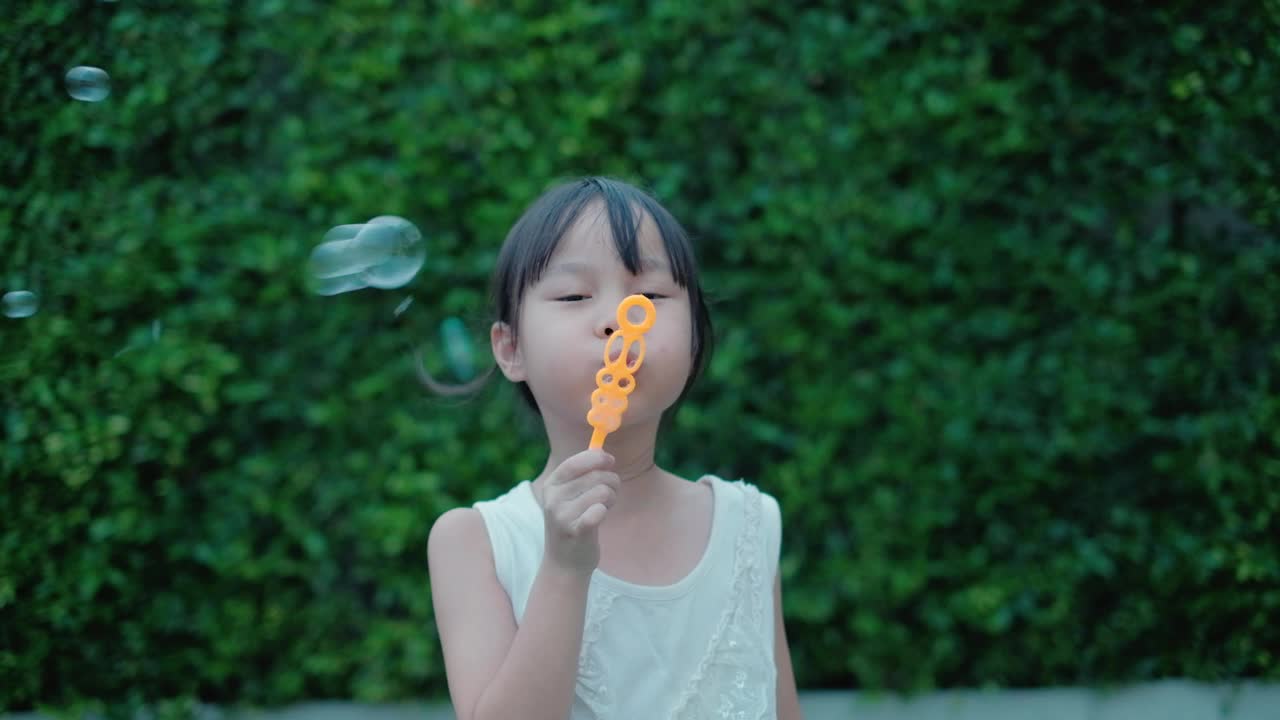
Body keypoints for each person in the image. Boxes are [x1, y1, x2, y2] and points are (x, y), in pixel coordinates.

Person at [427, 177, 802, 720]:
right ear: (511, 350)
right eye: (575, 296)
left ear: (695, 336)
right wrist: (564, 566)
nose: (615, 320)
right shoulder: (475, 542)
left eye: (648, 297)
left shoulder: (750, 523)